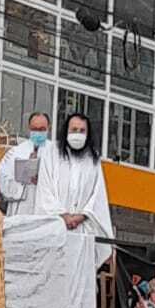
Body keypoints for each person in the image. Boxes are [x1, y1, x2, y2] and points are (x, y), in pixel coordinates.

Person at [35, 114, 114, 269]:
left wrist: (80, 216)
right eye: (74, 130)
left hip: (82, 231)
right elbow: (45, 190)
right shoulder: (51, 154)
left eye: (82, 131)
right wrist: (63, 216)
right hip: (56, 226)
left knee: (79, 275)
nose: (77, 134)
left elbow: (98, 196)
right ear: (66, 131)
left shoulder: (93, 160)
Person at [0, 112, 50, 216]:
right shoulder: (15, 152)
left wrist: (43, 180)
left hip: (46, 212)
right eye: (34, 129)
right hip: (21, 210)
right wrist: (24, 179)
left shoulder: (56, 153)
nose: (38, 133)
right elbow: (1, 178)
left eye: (42, 129)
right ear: (29, 128)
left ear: (49, 128)